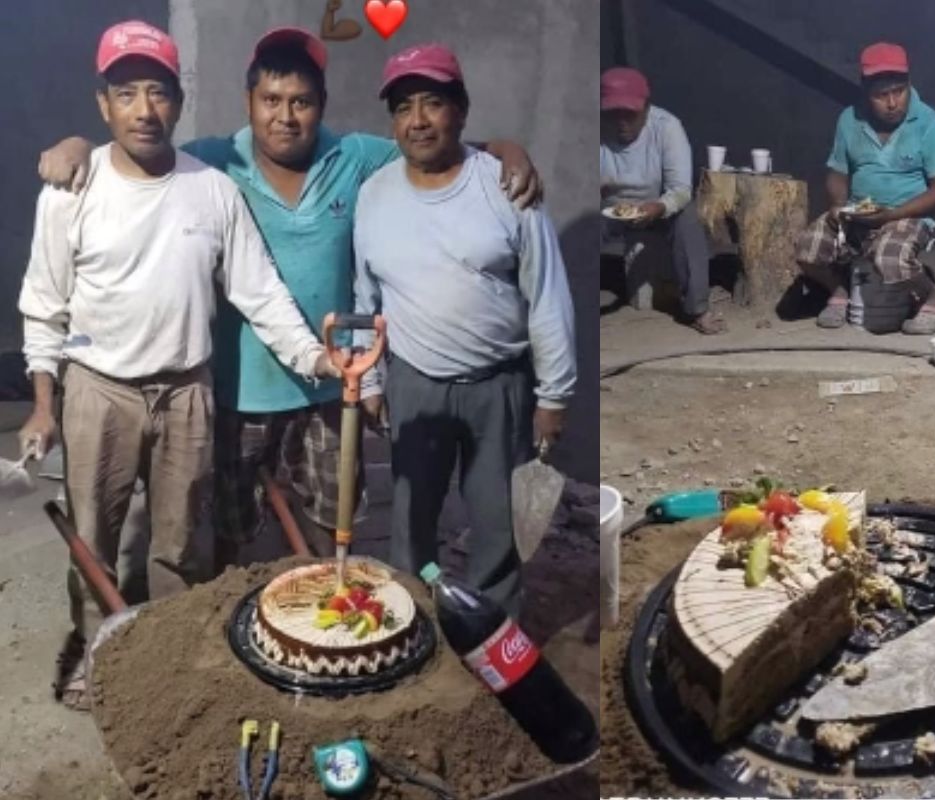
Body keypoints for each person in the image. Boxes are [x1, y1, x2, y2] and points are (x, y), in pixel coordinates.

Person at [39, 27, 542, 569]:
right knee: (231, 534)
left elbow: (434, 146)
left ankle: (324, 627)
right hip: (239, 389)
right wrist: (77, 149)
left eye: (301, 102)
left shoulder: (354, 157)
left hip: (328, 385)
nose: (286, 116)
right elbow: (141, 157)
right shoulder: (214, 165)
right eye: (271, 101)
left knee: (332, 528)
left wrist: (504, 149)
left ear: (321, 106)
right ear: (248, 103)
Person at [16, 21, 340, 710]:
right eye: (126, 92)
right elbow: (44, 305)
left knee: (179, 545)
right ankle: (97, 653)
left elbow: (260, 292)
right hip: (98, 392)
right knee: (94, 541)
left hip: (188, 392)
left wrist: (316, 356)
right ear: (103, 104)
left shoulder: (212, 190)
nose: (144, 109)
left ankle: (167, 656)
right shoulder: (72, 188)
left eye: (158, 91)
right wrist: (45, 403)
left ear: (179, 101)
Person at [353, 43, 576, 615]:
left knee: (498, 526)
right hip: (414, 386)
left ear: (461, 109)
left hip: (498, 388)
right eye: (404, 107)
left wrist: (554, 394)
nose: (418, 120)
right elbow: (366, 296)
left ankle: (494, 638)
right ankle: (413, 621)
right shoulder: (374, 196)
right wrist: (373, 380)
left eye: (432, 103)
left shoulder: (507, 187)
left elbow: (546, 292)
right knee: (409, 522)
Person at [795, 42, 935, 334]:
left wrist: (891, 215)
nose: (893, 103)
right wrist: (838, 205)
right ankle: (840, 289)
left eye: (899, 91)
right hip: (858, 211)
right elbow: (837, 173)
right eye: (882, 95)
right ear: (866, 93)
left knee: (890, 257)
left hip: (908, 215)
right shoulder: (848, 119)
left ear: (909, 85)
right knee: (806, 248)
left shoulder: (930, 124)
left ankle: (934, 300)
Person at [600, 67, 726, 335]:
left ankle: (697, 308)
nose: (622, 121)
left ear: (646, 108)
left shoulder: (667, 127)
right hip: (609, 211)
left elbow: (680, 189)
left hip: (658, 208)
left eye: (630, 114)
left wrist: (658, 207)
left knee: (688, 221)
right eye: (614, 114)